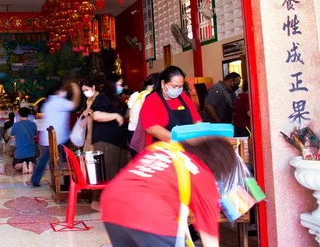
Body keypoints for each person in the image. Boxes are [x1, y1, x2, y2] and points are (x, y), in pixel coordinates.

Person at [101, 136, 239, 247]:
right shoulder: (202, 175)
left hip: (111, 203)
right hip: (151, 216)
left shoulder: (163, 148)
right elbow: (209, 237)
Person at [81, 76, 125, 211]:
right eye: (118, 84)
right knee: (106, 172)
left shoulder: (108, 99)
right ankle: (98, 202)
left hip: (114, 140)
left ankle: (109, 201)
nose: (121, 86)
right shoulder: (101, 98)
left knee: (112, 171)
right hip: (105, 140)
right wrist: (116, 116)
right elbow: (97, 116)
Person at [30, 80, 80, 187]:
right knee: (66, 160)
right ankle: (68, 182)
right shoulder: (59, 101)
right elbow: (74, 105)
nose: (65, 92)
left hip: (51, 137)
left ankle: (35, 179)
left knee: (46, 159)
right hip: (59, 138)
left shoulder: (48, 103)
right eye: (63, 90)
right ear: (58, 91)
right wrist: (77, 91)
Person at [140, 66, 202, 148]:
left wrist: (201, 136)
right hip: (162, 150)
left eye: (180, 86)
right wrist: (180, 140)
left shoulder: (184, 97)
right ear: (163, 83)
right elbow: (151, 128)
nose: (177, 89)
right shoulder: (152, 100)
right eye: (174, 86)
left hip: (186, 148)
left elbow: (197, 120)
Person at [127, 73, 159, 147]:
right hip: (144, 133)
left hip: (132, 131)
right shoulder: (153, 96)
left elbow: (129, 112)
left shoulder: (134, 95)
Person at [10, 107, 38, 174]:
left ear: (19, 115)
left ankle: (22, 165)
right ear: (28, 114)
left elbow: (12, 136)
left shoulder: (15, 125)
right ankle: (30, 165)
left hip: (20, 153)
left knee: (15, 165)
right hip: (31, 152)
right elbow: (35, 136)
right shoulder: (33, 124)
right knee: (34, 163)